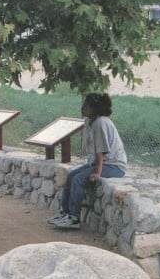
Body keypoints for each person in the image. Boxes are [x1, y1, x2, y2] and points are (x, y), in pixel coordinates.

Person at [49, 93, 127, 229]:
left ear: (94, 108)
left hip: (113, 166)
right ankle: (65, 211)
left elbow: (101, 150)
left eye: (86, 105)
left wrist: (97, 172)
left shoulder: (101, 122)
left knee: (79, 179)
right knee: (72, 175)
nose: (83, 108)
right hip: (100, 163)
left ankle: (74, 218)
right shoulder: (90, 122)